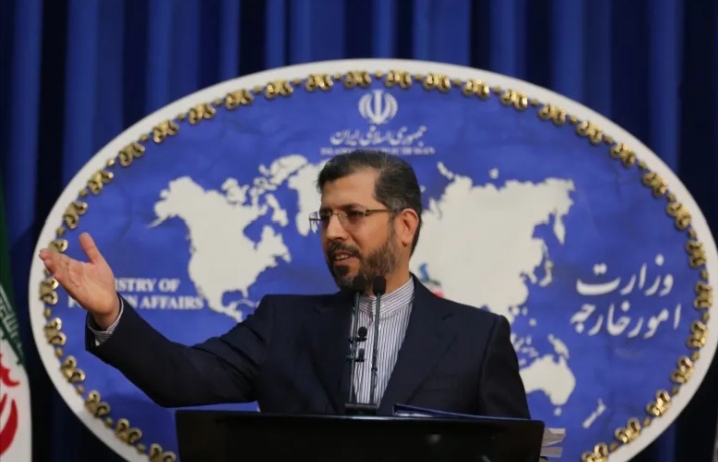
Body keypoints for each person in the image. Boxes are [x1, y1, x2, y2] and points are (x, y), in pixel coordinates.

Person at [38, 149, 530, 418]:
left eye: (353, 214)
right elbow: (179, 379)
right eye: (324, 217)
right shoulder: (283, 324)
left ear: (405, 226)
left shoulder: (478, 339)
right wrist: (110, 313)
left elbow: (514, 453)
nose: (333, 232)